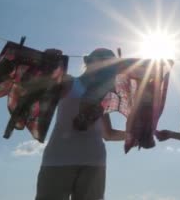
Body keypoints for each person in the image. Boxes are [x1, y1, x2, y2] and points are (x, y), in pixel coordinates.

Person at [36, 48, 126, 200]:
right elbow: (40, 82)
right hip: (58, 159)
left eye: (110, 62)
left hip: (94, 162)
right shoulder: (69, 81)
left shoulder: (104, 94)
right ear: (87, 61)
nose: (106, 64)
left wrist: (137, 134)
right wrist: (46, 59)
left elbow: (108, 134)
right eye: (101, 59)